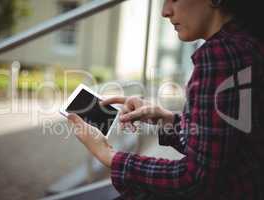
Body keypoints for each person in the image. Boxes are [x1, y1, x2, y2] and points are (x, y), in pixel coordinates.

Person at [66, 0, 264, 199]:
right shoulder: (246, 42)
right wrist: (164, 118)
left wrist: (108, 155)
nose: (165, 11)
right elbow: (218, 146)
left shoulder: (220, 55)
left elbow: (195, 179)